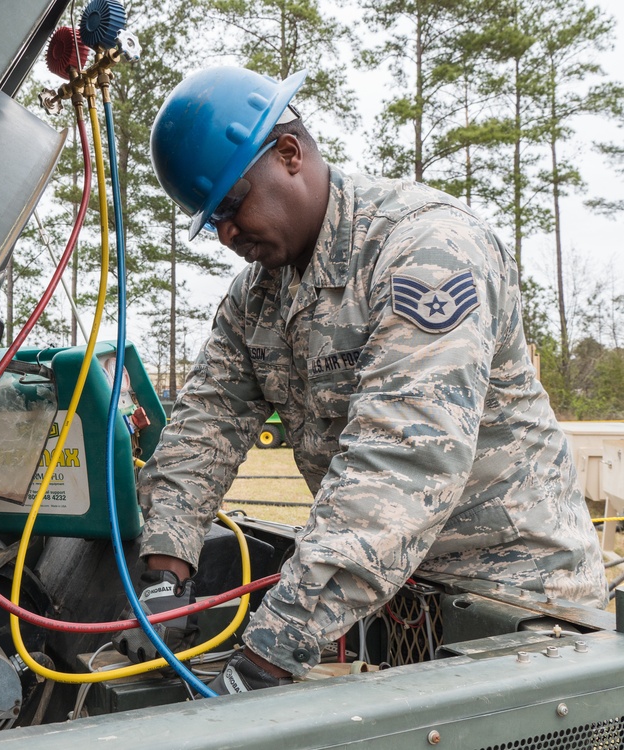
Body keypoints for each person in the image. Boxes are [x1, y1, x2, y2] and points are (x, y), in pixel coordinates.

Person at [113, 66, 608, 696]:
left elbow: (401, 461)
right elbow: (204, 424)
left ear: (288, 154)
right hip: (401, 605)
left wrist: (271, 649)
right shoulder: (255, 299)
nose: (229, 234)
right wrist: (163, 571)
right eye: (213, 222)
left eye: (233, 205)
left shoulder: (427, 248)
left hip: (519, 613)